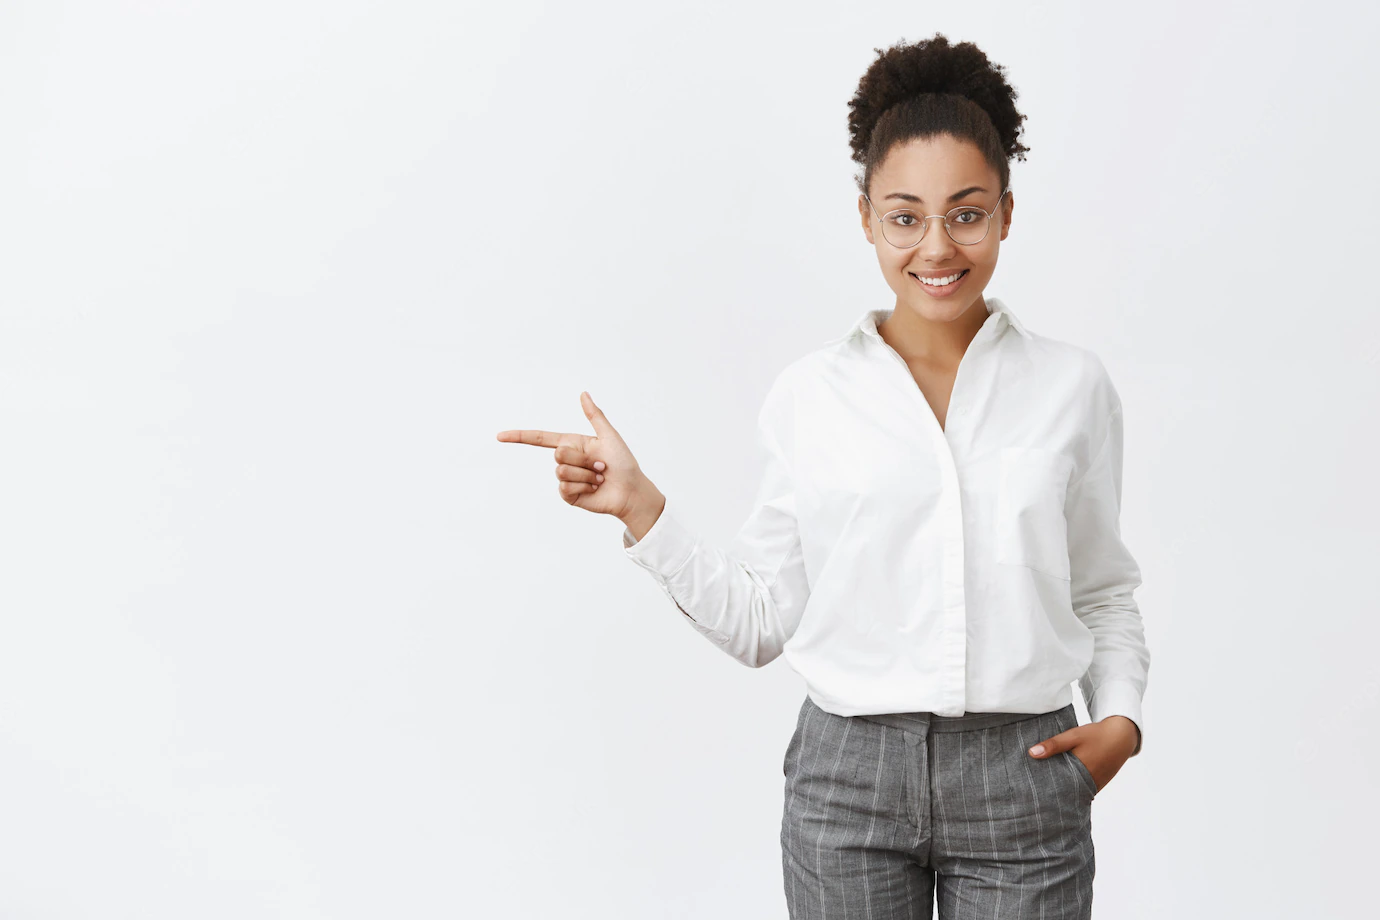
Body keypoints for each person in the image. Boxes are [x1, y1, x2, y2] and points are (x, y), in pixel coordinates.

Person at [496, 31, 1149, 920]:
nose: (936, 246)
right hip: (848, 787)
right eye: (904, 215)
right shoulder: (811, 396)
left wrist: (1121, 724)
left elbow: (1105, 588)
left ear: (1004, 211)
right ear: (866, 217)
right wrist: (641, 510)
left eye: (965, 212)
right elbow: (763, 622)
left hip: (1024, 778)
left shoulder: (1073, 388)